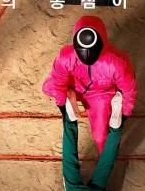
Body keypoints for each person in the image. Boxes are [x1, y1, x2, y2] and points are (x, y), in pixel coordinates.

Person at [42, 16, 136, 151]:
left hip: (100, 94)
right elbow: (57, 82)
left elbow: (129, 90)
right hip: (75, 84)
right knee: (48, 86)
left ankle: (105, 150)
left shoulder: (117, 62)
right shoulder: (65, 56)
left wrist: (125, 113)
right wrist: (63, 106)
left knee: (100, 137)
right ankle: (69, 94)